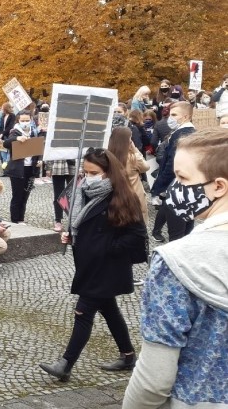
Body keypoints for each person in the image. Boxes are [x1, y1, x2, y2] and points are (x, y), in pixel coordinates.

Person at [123, 128, 228, 408]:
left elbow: (153, 381)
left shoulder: (176, 260)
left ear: (219, 186)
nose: (174, 189)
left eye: (182, 178)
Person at [40, 148, 147, 383]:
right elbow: (83, 226)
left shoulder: (122, 197)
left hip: (107, 266)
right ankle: (128, 355)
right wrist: (72, 235)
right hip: (89, 263)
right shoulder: (84, 192)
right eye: (85, 171)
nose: (88, 176)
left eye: (94, 172)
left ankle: (65, 364)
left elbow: (138, 235)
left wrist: (107, 248)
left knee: (83, 311)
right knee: (109, 309)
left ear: (108, 173)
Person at [151, 102, 196, 242]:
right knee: (185, 229)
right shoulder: (186, 132)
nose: (170, 118)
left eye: (174, 115)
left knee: (178, 234)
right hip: (184, 187)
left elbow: (173, 164)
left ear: (186, 116)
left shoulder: (183, 134)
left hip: (177, 188)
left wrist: (160, 186)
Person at [4, 111, 40, 223]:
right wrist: (17, 139)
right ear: (18, 121)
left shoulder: (34, 132)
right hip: (18, 169)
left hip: (30, 168)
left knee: (25, 195)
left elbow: (39, 147)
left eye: (27, 120)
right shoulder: (15, 132)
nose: (25, 123)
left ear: (31, 120)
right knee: (17, 195)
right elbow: (6, 143)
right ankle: (15, 219)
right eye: (22, 120)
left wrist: (39, 160)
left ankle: (21, 218)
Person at [108, 126, 149, 222]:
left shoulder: (108, 157)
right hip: (134, 194)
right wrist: (135, 150)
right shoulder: (133, 158)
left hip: (115, 195)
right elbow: (146, 167)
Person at [49, 159, 77, 232]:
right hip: (58, 166)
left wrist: (81, 167)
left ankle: (74, 220)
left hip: (73, 166)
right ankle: (58, 220)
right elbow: (51, 150)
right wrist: (48, 167)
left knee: (74, 195)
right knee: (58, 195)